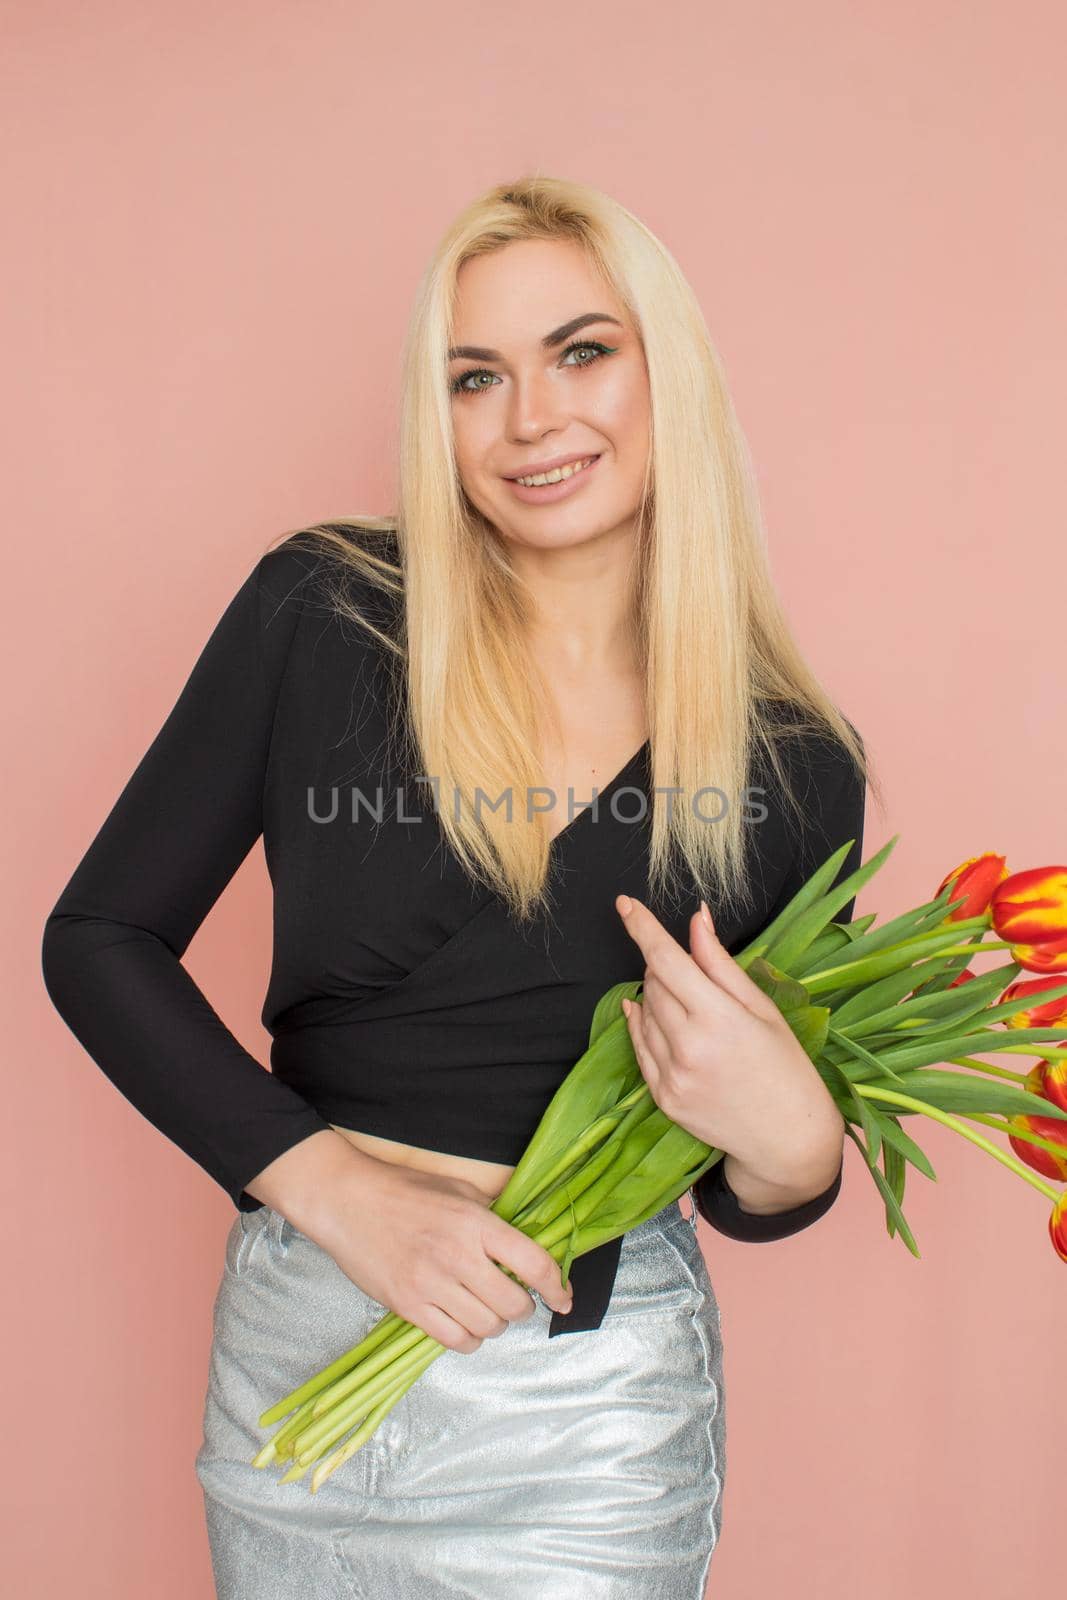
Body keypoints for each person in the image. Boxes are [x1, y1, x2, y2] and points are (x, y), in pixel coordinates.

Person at [41, 175, 875, 1598]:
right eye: (475, 376)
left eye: (583, 351)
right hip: (310, 1347)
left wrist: (796, 1145)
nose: (531, 417)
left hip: (587, 1396)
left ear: (667, 371)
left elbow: (758, 1190)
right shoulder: (325, 613)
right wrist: (339, 1194)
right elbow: (99, 938)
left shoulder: (795, 766)